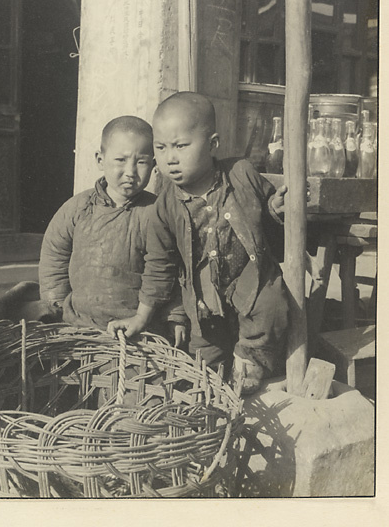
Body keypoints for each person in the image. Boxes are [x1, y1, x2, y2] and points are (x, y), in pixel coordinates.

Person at [108, 93, 289, 394]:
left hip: (251, 284)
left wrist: (275, 210)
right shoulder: (165, 205)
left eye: (181, 146)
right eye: (161, 148)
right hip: (205, 300)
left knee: (270, 309)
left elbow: (270, 229)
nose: (171, 158)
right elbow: (159, 264)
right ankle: (214, 385)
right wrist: (142, 316)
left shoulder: (241, 174)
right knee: (204, 362)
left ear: (213, 144)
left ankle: (251, 362)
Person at [39, 115, 187, 342]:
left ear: (154, 165)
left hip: (138, 329)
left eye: (142, 162)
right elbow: (54, 255)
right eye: (120, 160)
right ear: (100, 159)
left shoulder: (157, 213)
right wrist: (56, 307)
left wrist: (175, 316)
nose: (130, 171)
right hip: (78, 325)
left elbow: (174, 269)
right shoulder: (77, 208)